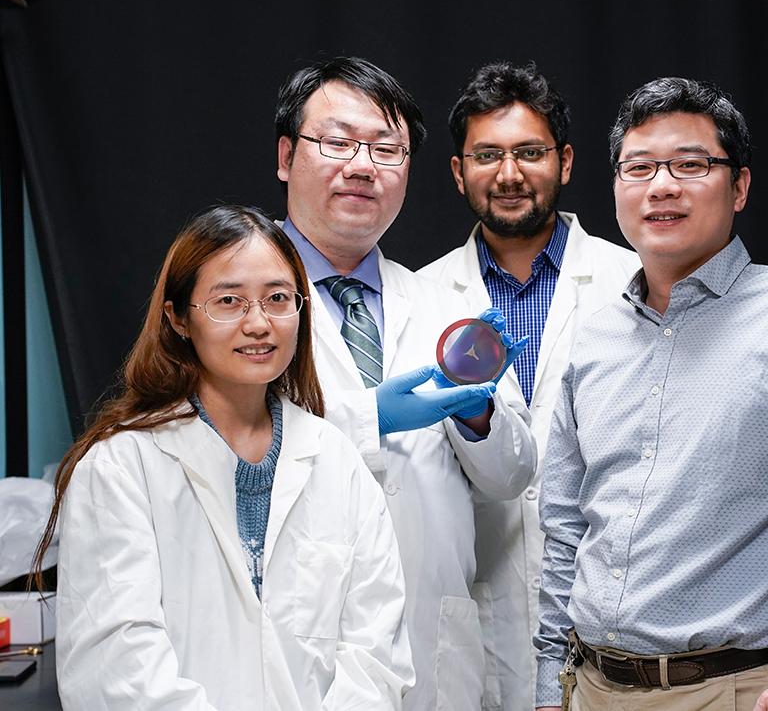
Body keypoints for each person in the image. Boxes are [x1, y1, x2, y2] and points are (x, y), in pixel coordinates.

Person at [534, 78, 768, 711]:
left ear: (738, 187)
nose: (662, 186)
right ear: (616, 188)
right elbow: (566, 527)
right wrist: (552, 685)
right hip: (591, 688)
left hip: (737, 690)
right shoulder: (595, 337)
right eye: (639, 167)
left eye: (691, 165)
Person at [34, 205, 413, 710]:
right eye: (229, 301)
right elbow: (117, 669)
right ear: (178, 318)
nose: (258, 324)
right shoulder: (122, 467)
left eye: (278, 299)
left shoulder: (335, 460)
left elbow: (376, 655)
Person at [274, 57, 537, 711]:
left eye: (387, 149)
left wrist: (477, 412)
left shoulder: (445, 304)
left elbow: (511, 477)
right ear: (286, 156)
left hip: (432, 653)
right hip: (294, 646)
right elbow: (220, 447)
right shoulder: (235, 297)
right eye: (337, 143)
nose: (362, 165)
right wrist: (373, 417)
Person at [419, 61, 638, 710]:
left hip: (622, 635)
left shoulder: (635, 284)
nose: (508, 174)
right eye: (486, 154)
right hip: (480, 632)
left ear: (565, 162)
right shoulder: (422, 299)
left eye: (529, 152)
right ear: (458, 171)